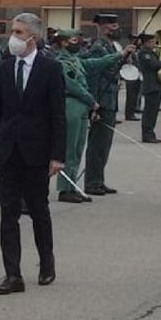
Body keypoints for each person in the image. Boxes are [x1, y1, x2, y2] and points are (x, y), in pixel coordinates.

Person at [0, 13, 65, 295]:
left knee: (38, 210)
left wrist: (57, 155)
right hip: (8, 152)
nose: (14, 38)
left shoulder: (50, 69)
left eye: (19, 33)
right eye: (13, 31)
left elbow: (58, 115)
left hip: (37, 152)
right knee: (8, 214)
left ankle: (46, 263)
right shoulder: (3, 68)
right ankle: (13, 275)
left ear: (32, 38)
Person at [55, 29, 118, 202]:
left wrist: (118, 56)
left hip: (81, 107)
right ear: (63, 42)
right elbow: (73, 85)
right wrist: (92, 101)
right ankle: (64, 188)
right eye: (74, 40)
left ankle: (72, 185)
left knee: (78, 149)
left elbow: (95, 63)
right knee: (69, 149)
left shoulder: (75, 59)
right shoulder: (61, 62)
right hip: (71, 105)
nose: (79, 43)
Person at [82, 12, 124, 195]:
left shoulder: (110, 47)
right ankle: (92, 182)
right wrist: (94, 104)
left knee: (105, 144)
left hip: (110, 98)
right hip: (102, 99)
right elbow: (96, 75)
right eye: (111, 25)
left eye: (115, 24)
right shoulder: (99, 48)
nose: (115, 28)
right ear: (101, 27)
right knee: (97, 144)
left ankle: (99, 179)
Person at [136, 32, 161, 143]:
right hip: (151, 86)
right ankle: (147, 134)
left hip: (156, 85)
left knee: (154, 112)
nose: (154, 44)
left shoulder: (151, 53)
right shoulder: (144, 54)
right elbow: (153, 65)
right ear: (145, 43)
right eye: (151, 42)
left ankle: (151, 133)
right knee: (149, 112)